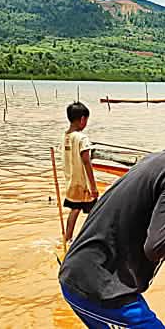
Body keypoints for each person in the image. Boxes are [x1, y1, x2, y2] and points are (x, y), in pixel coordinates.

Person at [59, 105, 165, 328]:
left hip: (83, 277)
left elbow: (148, 242)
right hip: (97, 288)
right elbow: (157, 245)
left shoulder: (158, 160)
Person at [62, 102, 98, 244]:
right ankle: (89, 238)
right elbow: (86, 161)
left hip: (71, 181)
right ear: (82, 119)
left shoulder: (66, 136)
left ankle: (68, 238)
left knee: (75, 209)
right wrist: (93, 186)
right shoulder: (82, 138)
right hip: (83, 184)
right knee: (95, 211)